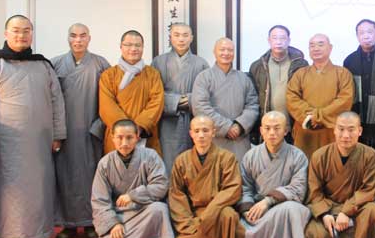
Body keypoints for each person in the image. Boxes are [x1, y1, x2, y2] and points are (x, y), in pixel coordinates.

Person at [0, 15, 66, 238]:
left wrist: (58, 134)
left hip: (39, 142)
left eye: (26, 30)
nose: (22, 35)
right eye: (16, 30)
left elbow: (57, 101)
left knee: (38, 189)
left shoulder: (43, 65)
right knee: (5, 192)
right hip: (5, 144)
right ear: (6, 33)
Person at [305, 111, 375, 238]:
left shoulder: (370, 156)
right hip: (329, 207)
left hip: (357, 208)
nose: (345, 135)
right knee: (314, 231)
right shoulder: (320, 156)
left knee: (374, 211)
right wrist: (324, 215)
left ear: (360, 131)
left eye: (351, 130)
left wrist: (346, 212)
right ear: (334, 130)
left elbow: (369, 189)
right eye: (341, 129)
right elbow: (314, 192)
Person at [52, 23, 111, 238]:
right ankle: (68, 224)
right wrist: (56, 132)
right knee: (64, 176)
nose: (78, 40)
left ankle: (90, 223)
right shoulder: (55, 64)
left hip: (91, 131)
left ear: (89, 38)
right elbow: (49, 100)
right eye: (74, 36)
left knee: (91, 176)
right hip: (65, 133)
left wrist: (99, 127)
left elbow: (109, 98)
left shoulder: (101, 64)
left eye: (82, 35)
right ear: (68, 38)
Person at [89, 119, 174, 238]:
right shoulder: (105, 163)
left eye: (129, 137)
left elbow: (161, 185)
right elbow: (99, 200)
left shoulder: (150, 156)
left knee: (159, 209)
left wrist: (133, 195)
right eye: (120, 137)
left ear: (137, 138)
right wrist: (113, 224)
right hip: (122, 216)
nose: (124, 143)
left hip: (145, 210)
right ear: (112, 138)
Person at [168, 116, 244, 238]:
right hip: (194, 213)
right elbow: (176, 194)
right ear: (191, 134)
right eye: (197, 131)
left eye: (205, 130)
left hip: (218, 210)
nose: (201, 135)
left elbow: (232, 188)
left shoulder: (226, 157)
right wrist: (187, 223)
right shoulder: (182, 160)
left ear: (213, 132)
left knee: (229, 216)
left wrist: (210, 212)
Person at [238, 111, 311, 238]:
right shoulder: (250, 156)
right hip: (257, 208)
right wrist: (247, 209)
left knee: (291, 209)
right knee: (240, 222)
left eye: (277, 128)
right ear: (261, 130)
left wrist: (268, 201)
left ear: (286, 130)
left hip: (284, 205)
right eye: (267, 128)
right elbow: (245, 187)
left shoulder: (297, 156)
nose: (272, 133)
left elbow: (298, 188)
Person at [151, 23, 209, 173]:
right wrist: (177, 101)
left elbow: (206, 93)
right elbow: (154, 94)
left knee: (194, 164)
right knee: (168, 163)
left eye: (185, 35)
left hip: (193, 119)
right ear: (170, 38)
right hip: (167, 122)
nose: (181, 39)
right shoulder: (158, 62)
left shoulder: (201, 63)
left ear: (191, 38)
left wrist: (189, 99)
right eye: (176, 35)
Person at [191, 38, 259, 164]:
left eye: (230, 50)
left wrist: (239, 126)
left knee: (240, 172)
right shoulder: (203, 77)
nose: (226, 53)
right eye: (222, 49)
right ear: (214, 52)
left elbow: (253, 105)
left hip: (239, 138)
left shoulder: (243, 78)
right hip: (213, 137)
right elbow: (200, 106)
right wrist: (227, 127)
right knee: (214, 172)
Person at [286, 34, 354, 160]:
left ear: (330, 48)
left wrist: (318, 116)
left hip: (331, 132)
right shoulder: (300, 74)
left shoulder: (343, 73)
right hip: (305, 131)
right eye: (312, 46)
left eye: (320, 44)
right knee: (304, 166)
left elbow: (345, 100)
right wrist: (309, 117)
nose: (316, 48)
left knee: (331, 165)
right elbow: (291, 97)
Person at [98, 30, 164, 155]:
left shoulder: (153, 74)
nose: (133, 49)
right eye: (128, 45)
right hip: (118, 136)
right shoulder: (109, 75)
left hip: (144, 134)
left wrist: (139, 126)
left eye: (137, 45)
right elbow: (107, 106)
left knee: (147, 165)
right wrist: (126, 130)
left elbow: (157, 103)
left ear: (143, 47)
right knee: (116, 166)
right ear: (121, 46)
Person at [249, 25, 308, 142]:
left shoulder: (301, 64)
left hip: (293, 125)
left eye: (282, 38)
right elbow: (253, 99)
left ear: (289, 40)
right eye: (275, 38)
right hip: (269, 128)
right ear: (269, 40)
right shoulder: (258, 66)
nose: (279, 42)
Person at [342, 19, 375, 149]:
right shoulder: (349, 61)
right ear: (357, 36)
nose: (366, 36)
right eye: (362, 33)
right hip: (357, 120)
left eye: (370, 32)